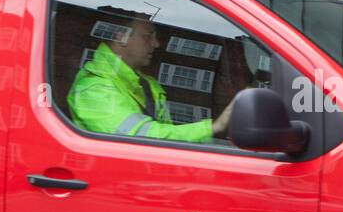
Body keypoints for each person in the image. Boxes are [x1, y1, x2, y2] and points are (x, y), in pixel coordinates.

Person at [68, 13, 235, 142]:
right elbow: (142, 140)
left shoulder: (145, 83)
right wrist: (214, 127)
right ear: (121, 38)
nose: (156, 44)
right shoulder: (94, 90)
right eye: (147, 36)